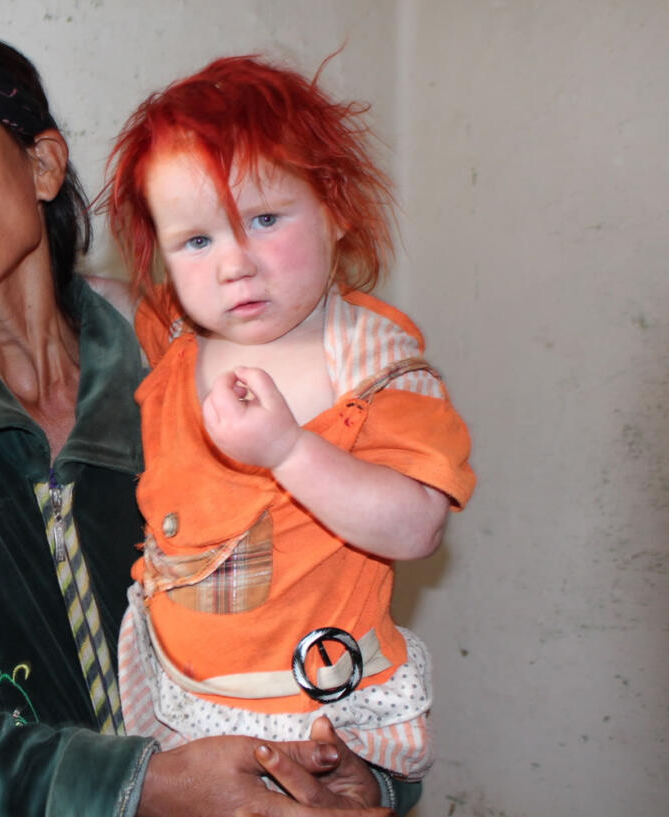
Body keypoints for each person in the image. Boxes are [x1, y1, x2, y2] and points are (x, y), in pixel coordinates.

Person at [0, 10, 409, 817]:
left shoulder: (197, 358)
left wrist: (360, 760)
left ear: (42, 163)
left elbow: (330, 591)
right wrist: (141, 785)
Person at [102, 57, 475, 781]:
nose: (234, 264)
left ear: (335, 206)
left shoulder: (378, 368)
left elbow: (417, 526)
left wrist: (288, 450)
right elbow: (94, 300)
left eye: (265, 220)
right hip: (180, 700)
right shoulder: (175, 336)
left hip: (316, 717)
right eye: (196, 241)